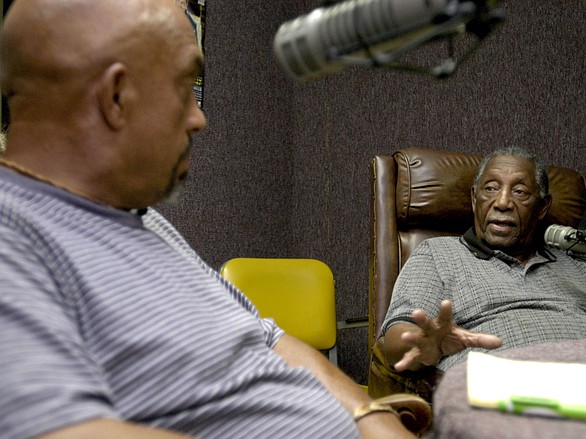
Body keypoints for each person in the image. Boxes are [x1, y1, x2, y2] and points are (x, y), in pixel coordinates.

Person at [0, 1, 417, 438]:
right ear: (115, 97)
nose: (199, 118)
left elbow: (267, 337)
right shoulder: (14, 238)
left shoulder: (140, 218)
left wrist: (371, 415)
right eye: (184, 87)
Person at [381, 146, 586, 373]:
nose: (503, 202)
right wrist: (424, 344)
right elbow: (396, 336)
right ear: (474, 199)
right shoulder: (439, 253)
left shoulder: (578, 262)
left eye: (519, 191)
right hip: (512, 390)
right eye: (491, 189)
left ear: (543, 206)